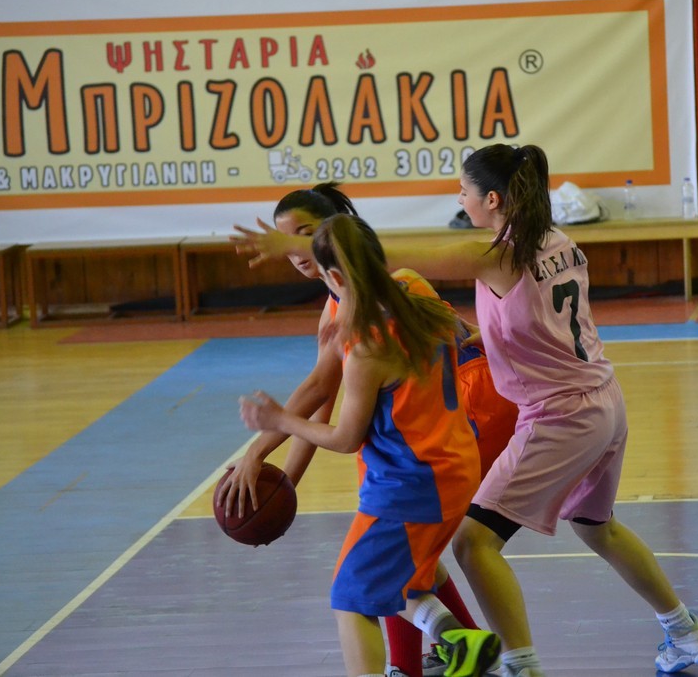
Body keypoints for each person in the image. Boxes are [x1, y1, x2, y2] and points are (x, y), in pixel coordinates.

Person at [232, 144, 698, 676]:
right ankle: (683, 630)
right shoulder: (559, 241)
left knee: (470, 543)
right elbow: (531, 319)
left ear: (491, 199)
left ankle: (517, 665)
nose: (458, 198)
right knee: (596, 527)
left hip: (552, 415)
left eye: (464, 190)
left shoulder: (489, 258)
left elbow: (376, 265)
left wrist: (294, 244)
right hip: (604, 399)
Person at [218, 183, 515, 677]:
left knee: (355, 594)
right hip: (448, 452)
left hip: (432, 451)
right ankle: (459, 644)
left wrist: (268, 437)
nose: (295, 253)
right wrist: (281, 475)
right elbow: (323, 397)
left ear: (332, 252)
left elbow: (332, 416)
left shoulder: (366, 331)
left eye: (303, 238)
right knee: (402, 569)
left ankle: (418, 662)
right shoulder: (403, 291)